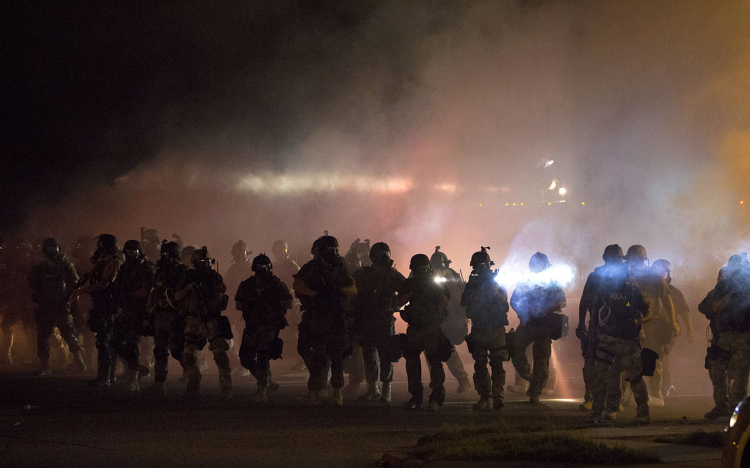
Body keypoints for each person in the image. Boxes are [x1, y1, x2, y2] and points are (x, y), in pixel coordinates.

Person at [293, 235, 357, 406]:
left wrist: (336, 290)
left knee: (337, 356)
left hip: (336, 317)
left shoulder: (340, 267)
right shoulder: (312, 267)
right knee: (317, 355)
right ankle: (317, 390)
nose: (333, 253)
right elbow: (297, 285)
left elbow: (353, 289)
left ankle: (336, 391)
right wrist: (316, 294)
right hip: (318, 316)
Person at [587, 260, 652, 424]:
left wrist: (639, 322)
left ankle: (643, 413)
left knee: (635, 378)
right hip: (608, 338)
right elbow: (595, 310)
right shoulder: (605, 290)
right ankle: (597, 413)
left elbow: (648, 312)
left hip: (627, 340)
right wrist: (594, 331)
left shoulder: (633, 292)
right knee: (601, 376)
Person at [625, 246, 679, 407]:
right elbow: (626, 301)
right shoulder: (626, 277)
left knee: (653, 358)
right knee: (629, 359)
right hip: (632, 324)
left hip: (653, 324)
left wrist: (673, 321)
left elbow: (666, 299)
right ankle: (630, 394)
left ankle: (656, 394)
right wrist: (628, 308)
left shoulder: (655, 277)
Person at [352, 242, 405, 403]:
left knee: (386, 355)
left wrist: (396, 304)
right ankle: (372, 388)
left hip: (384, 319)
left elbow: (407, 289)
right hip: (367, 319)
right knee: (369, 355)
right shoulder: (363, 274)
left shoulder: (392, 274)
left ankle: (386, 390)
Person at [510, 252, 567, 403]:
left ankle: (535, 391)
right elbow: (514, 300)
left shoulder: (553, 282)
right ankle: (527, 375)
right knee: (514, 347)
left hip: (544, 325)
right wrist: (523, 312)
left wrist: (545, 310)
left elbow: (562, 301)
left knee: (541, 359)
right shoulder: (525, 281)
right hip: (528, 322)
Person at [176, 247, 232, 398]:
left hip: (210, 320)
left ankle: (226, 386)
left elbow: (219, 298)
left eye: (207, 261)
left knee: (220, 354)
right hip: (193, 320)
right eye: (201, 261)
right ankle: (194, 383)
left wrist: (207, 303)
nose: (204, 264)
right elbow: (177, 296)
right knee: (188, 354)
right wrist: (189, 289)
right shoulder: (189, 277)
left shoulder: (215, 278)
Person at [235, 253, 292, 402]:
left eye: (265, 266)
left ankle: (262, 392)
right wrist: (253, 305)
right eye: (260, 266)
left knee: (263, 358)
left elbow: (288, 302)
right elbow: (238, 304)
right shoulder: (247, 284)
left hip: (269, 326)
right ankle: (267, 382)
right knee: (245, 358)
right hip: (253, 326)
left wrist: (272, 305)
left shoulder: (277, 284)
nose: (262, 269)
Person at [700, 253, 750, 419]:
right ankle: (722, 405)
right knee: (717, 369)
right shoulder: (724, 286)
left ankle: (738, 412)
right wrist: (730, 292)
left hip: (744, 335)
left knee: (740, 376)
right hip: (724, 336)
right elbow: (709, 307)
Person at [399, 253, 450, 412]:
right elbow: (399, 302)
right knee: (414, 362)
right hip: (416, 327)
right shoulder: (411, 284)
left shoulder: (435, 283)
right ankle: (418, 396)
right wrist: (413, 291)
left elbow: (445, 301)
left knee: (434, 362)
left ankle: (434, 397)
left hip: (430, 327)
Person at [28, 238, 87, 375]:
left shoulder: (66, 266)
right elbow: (33, 285)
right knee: (43, 337)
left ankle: (80, 362)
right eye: (48, 248)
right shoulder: (41, 268)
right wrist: (34, 300)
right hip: (45, 306)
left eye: (54, 248)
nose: (51, 251)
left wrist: (72, 300)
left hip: (61, 305)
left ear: (58, 249)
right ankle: (45, 367)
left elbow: (75, 282)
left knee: (70, 335)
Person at [576, 244, 624, 411]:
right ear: (605, 258)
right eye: (613, 258)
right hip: (596, 327)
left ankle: (614, 401)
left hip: (618, 329)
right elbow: (585, 301)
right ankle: (590, 398)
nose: (615, 262)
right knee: (590, 364)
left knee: (615, 367)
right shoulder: (595, 277)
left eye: (617, 259)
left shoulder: (627, 278)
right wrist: (581, 322)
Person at [462, 247, 510, 411]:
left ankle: (489, 397)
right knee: (493, 365)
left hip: (485, 330)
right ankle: (496, 396)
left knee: (484, 364)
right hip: (491, 331)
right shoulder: (492, 282)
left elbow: (464, 304)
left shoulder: (486, 283)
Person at [77, 234, 124, 387]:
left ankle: (107, 377)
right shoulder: (105, 261)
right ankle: (106, 376)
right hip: (102, 305)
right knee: (104, 340)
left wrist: (82, 291)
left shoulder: (114, 262)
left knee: (105, 341)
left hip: (109, 306)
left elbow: (104, 283)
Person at [143, 241, 187, 396]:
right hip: (161, 315)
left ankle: (190, 373)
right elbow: (154, 292)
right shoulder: (160, 271)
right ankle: (159, 383)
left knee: (176, 349)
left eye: (166, 254)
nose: (163, 256)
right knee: (160, 349)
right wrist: (149, 312)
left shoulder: (182, 272)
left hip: (176, 315)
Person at [111, 240, 156, 391]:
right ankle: (135, 368)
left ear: (139, 252)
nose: (130, 255)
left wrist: (145, 311)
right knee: (114, 342)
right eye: (128, 252)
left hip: (139, 311)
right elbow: (118, 288)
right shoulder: (125, 267)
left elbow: (147, 291)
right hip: (126, 310)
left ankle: (134, 378)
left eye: (133, 252)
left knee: (132, 344)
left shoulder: (146, 268)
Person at [429, 246, 472, 393]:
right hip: (434, 319)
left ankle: (463, 379)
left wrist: (462, 316)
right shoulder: (432, 276)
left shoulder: (451, 276)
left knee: (448, 350)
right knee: (431, 353)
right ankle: (437, 384)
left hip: (449, 318)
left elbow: (459, 297)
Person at [652, 259, 694, 397]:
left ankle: (663, 388)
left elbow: (684, 311)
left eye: (662, 271)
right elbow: (630, 303)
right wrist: (627, 305)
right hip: (650, 329)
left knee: (661, 356)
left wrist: (689, 330)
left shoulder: (674, 292)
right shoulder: (647, 289)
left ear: (667, 273)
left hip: (666, 331)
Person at [225, 240, 254, 376]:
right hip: (232, 306)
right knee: (224, 334)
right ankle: (235, 360)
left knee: (244, 337)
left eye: (240, 252)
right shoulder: (232, 269)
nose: (237, 255)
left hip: (246, 308)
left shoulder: (252, 269)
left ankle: (245, 364)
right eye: (235, 253)